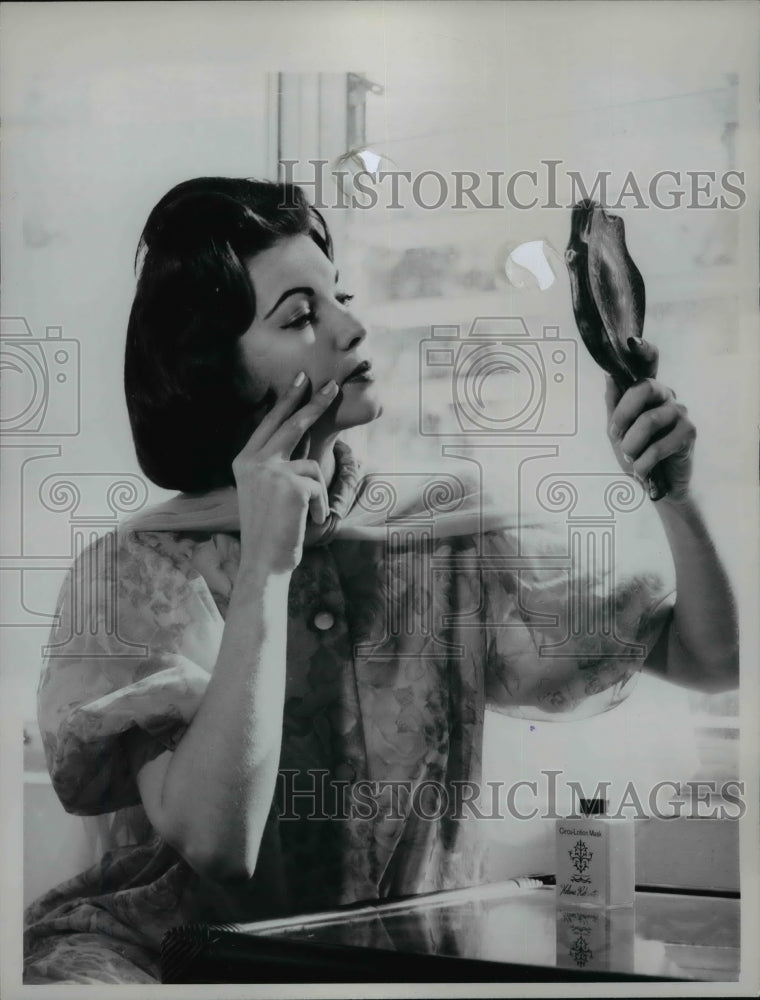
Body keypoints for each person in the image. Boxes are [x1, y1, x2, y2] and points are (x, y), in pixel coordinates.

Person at [23, 178, 738, 984]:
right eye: (300, 316)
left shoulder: (447, 532)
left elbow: (713, 659)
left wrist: (674, 495)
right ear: (217, 369)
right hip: (166, 964)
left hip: (399, 962)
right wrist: (265, 570)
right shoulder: (135, 570)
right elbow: (218, 844)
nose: (352, 327)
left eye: (341, 297)